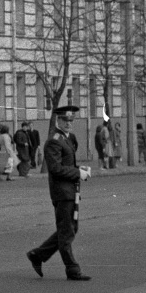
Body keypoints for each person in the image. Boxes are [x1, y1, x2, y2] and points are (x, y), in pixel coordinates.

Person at [27, 105, 91, 281]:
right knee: (66, 231)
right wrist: (78, 173)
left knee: (71, 228)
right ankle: (72, 269)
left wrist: (80, 170)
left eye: (71, 120)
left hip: (71, 191)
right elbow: (55, 169)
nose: (69, 123)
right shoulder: (54, 140)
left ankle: (38, 255)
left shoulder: (68, 138)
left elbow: (67, 164)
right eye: (65, 120)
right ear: (58, 120)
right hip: (62, 193)